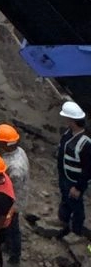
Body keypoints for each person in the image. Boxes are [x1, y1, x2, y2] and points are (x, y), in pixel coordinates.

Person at [0, 124, 28, 267]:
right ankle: (7, 246)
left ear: (7, 144)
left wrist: (9, 208)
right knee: (9, 228)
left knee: (12, 228)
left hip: (13, 201)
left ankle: (14, 257)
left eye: (0, 141)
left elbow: (13, 189)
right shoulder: (17, 151)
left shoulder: (16, 168)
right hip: (13, 197)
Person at [59, 99, 91, 239]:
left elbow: (88, 168)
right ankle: (63, 224)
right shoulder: (68, 134)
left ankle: (76, 231)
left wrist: (78, 187)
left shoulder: (85, 142)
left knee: (76, 206)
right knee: (66, 200)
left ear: (72, 120)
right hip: (65, 177)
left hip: (75, 181)